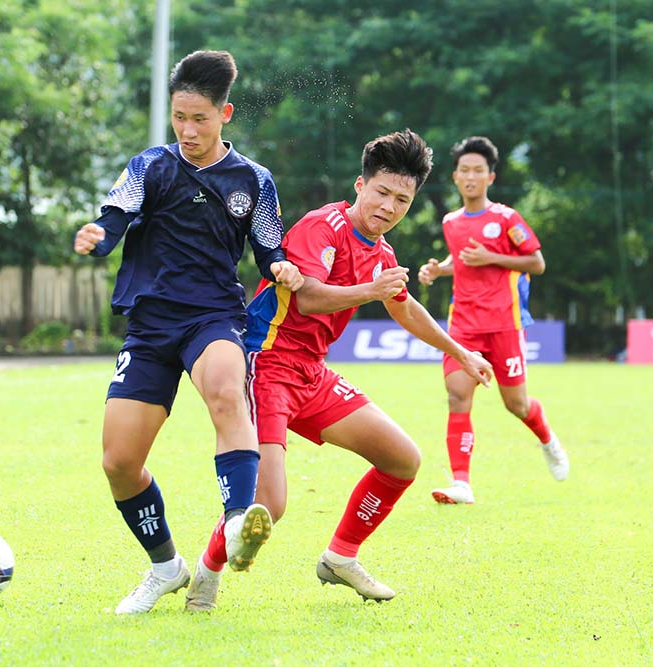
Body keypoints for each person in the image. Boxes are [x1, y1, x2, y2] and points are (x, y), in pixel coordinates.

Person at [184, 130, 494, 612]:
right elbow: (307, 296)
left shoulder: (382, 253)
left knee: (402, 459)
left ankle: (340, 557)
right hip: (265, 364)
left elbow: (405, 308)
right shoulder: (322, 226)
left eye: (402, 200)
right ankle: (206, 573)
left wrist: (462, 352)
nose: (390, 207)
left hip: (312, 374)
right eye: (382, 193)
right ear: (360, 185)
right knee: (270, 505)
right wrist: (372, 290)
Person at [73, 50, 304, 614]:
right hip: (150, 323)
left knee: (227, 390)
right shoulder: (150, 165)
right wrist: (96, 237)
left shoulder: (254, 179)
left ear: (224, 113)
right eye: (179, 117)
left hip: (213, 316)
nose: (188, 129)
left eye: (200, 118)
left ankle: (236, 522)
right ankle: (165, 567)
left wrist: (280, 266)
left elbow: (270, 245)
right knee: (118, 462)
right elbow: (116, 217)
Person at [417, 136, 569, 505]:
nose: (471, 176)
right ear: (455, 177)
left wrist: (493, 258)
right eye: (464, 170)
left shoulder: (506, 219)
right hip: (463, 325)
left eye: (478, 171)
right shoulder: (451, 222)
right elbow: (465, 261)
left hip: (504, 323)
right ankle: (461, 483)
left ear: (491, 177)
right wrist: (441, 271)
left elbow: (537, 262)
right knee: (457, 395)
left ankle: (547, 439)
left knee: (516, 405)